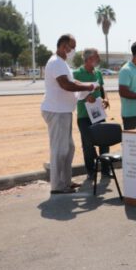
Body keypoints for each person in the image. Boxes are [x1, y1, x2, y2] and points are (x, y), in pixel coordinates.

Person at [41, 34, 98, 194]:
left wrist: (89, 85)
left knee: (68, 148)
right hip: (56, 111)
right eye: (72, 47)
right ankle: (58, 186)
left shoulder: (62, 63)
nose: (73, 50)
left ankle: (65, 181)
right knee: (59, 149)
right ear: (64, 46)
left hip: (63, 111)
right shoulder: (55, 62)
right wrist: (87, 88)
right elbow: (66, 85)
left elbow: (75, 82)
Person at [74, 48, 110, 178]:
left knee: (104, 142)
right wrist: (85, 97)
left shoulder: (98, 73)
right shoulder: (76, 73)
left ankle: (106, 170)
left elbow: (102, 88)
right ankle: (91, 171)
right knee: (88, 145)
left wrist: (106, 98)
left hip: (99, 114)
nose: (99, 58)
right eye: (97, 56)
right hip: (84, 116)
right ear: (89, 59)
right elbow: (72, 91)